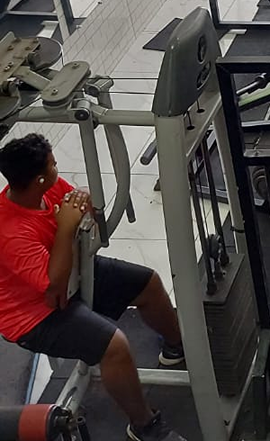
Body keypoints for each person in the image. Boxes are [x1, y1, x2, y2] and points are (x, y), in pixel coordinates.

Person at [0, 134, 187, 441]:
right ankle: (144, 426)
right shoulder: (10, 232)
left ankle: (176, 346)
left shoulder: (45, 190)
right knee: (115, 347)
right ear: (39, 179)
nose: (58, 168)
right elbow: (54, 284)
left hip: (67, 275)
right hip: (32, 314)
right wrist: (65, 228)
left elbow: (81, 209)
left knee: (148, 283)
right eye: (53, 165)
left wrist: (82, 202)